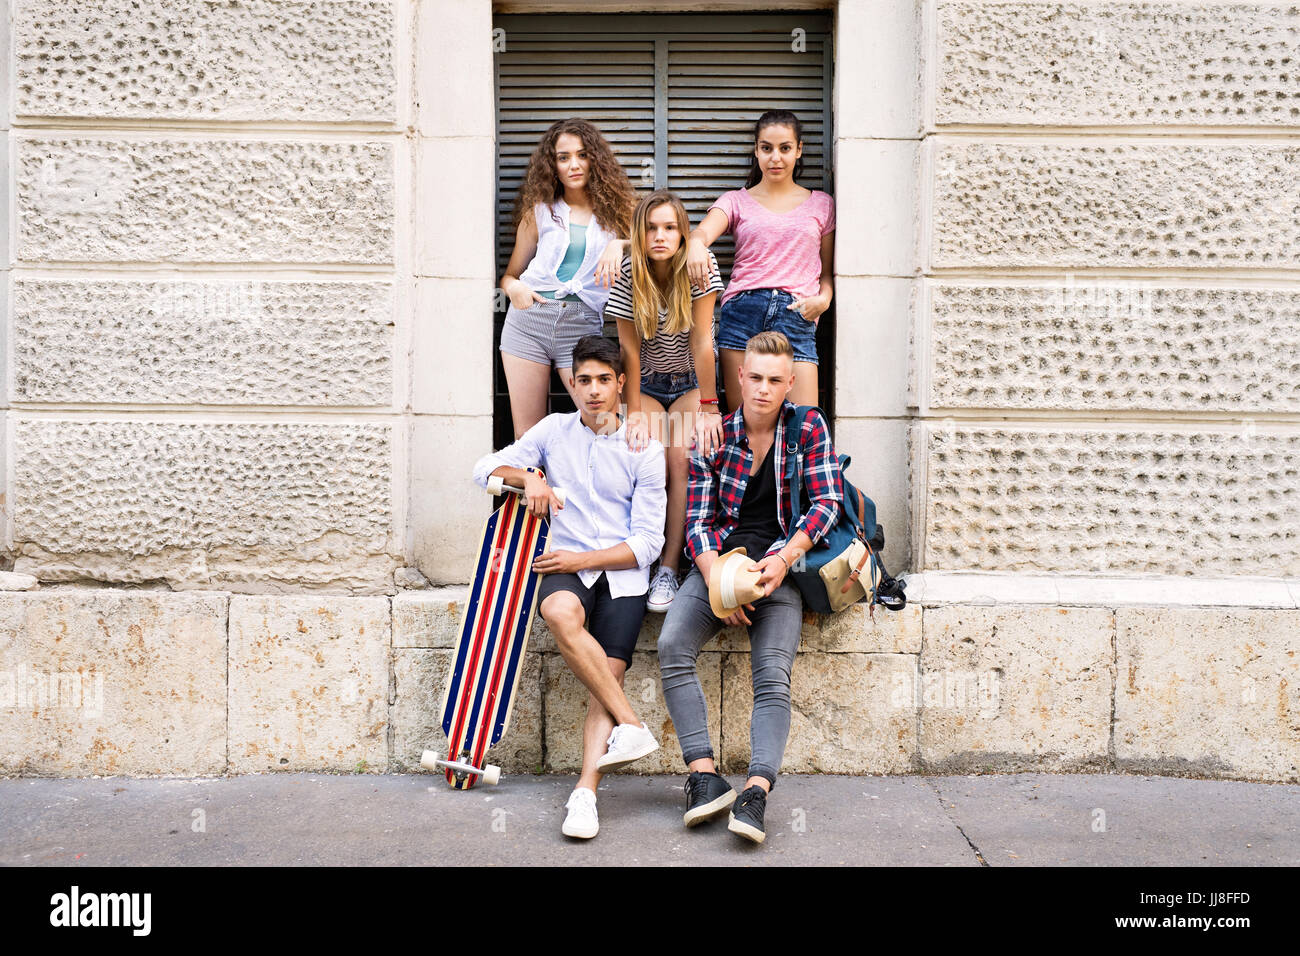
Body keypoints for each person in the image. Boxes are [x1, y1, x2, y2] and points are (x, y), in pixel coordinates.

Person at [472, 335, 666, 840]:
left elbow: (647, 543)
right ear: (572, 385)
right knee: (558, 613)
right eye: (584, 381)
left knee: (606, 682)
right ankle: (635, 727)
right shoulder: (554, 431)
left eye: (605, 380)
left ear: (621, 383)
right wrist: (526, 477)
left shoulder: (644, 448)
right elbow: (482, 468)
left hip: (620, 575)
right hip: (565, 569)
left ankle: (585, 794)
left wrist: (585, 557)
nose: (594, 391)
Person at [656, 331, 843, 845]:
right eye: (754, 377)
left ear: (790, 384)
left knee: (772, 674)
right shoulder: (713, 435)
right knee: (671, 645)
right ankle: (703, 775)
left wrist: (782, 560)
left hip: (780, 569)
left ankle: (756, 790)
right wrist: (723, 585)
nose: (762, 389)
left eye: (775, 381)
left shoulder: (807, 427)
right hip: (720, 566)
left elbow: (827, 503)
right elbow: (696, 520)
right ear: (740, 376)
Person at [606, 190, 725, 613]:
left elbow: (702, 341)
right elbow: (629, 351)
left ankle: (669, 567)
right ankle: (641, 558)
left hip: (691, 382)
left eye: (670, 227)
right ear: (639, 234)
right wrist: (633, 412)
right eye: (652, 228)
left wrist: (710, 406)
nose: (660, 235)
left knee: (681, 459)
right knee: (648, 454)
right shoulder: (627, 272)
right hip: (649, 384)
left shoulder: (700, 266)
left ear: (682, 233)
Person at [686, 109, 834, 416]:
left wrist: (824, 300)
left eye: (784, 148)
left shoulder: (822, 203)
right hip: (742, 314)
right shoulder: (735, 200)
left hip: (797, 315)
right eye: (766, 148)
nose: (775, 158)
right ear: (756, 151)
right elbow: (701, 232)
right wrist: (696, 243)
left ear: (799, 150)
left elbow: (828, 272)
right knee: (745, 427)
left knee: (805, 426)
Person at [499, 118, 636, 438]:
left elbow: (663, 241)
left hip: (582, 325)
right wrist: (514, 287)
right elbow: (509, 275)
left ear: (595, 160)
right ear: (553, 165)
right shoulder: (539, 212)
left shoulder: (621, 212)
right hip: (527, 321)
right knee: (528, 434)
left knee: (604, 425)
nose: (574, 164)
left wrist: (620, 243)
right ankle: (532, 489)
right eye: (563, 157)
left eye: (582, 154)